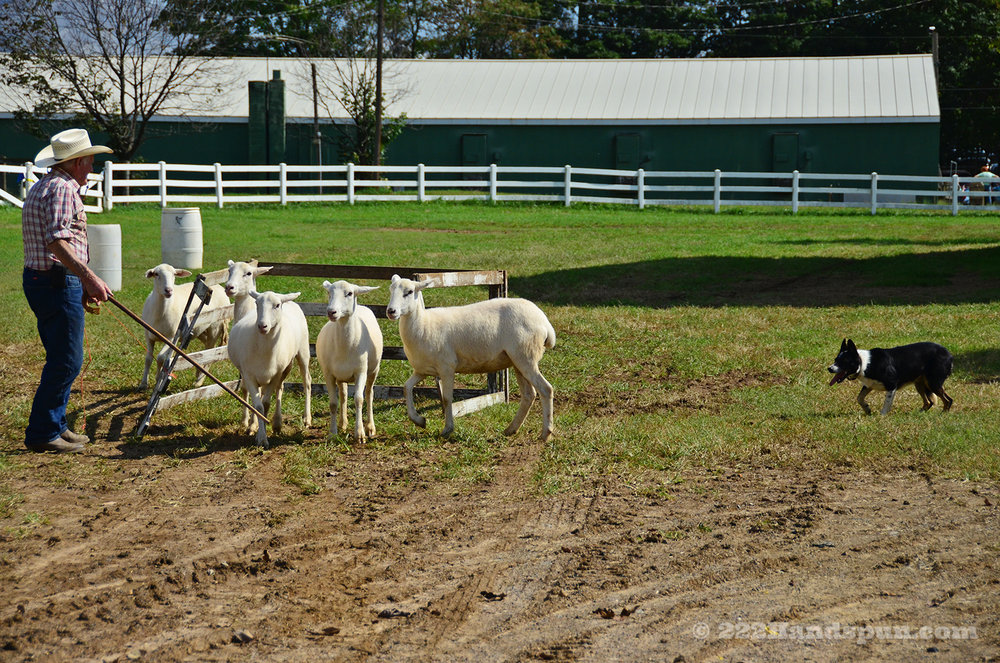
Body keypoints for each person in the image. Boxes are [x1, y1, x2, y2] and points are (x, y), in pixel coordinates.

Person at [22, 128, 114, 453]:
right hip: (56, 281)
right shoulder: (63, 190)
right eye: (89, 161)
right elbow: (57, 241)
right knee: (67, 360)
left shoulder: (47, 185)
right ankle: (45, 431)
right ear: (77, 163)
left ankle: (56, 425)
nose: (91, 168)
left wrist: (83, 282)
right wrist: (89, 279)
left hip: (45, 280)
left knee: (61, 356)